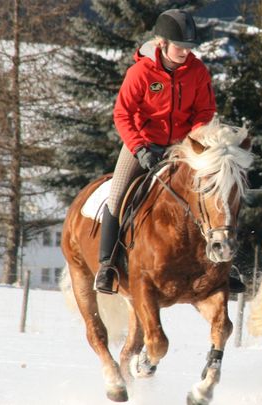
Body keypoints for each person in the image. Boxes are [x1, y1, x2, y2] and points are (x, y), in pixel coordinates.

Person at [95, 8, 216, 294]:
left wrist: (193, 140)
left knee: (215, 190)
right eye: (180, 47)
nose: (186, 52)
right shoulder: (140, 72)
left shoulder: (198, 72)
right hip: (143, 144)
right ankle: (107, 265)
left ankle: (222, 263)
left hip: (183, 146)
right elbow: (122, 114)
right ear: (162, 43)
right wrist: (139, 147)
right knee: (118, 194)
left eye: (190, 47)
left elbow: (205, 111)